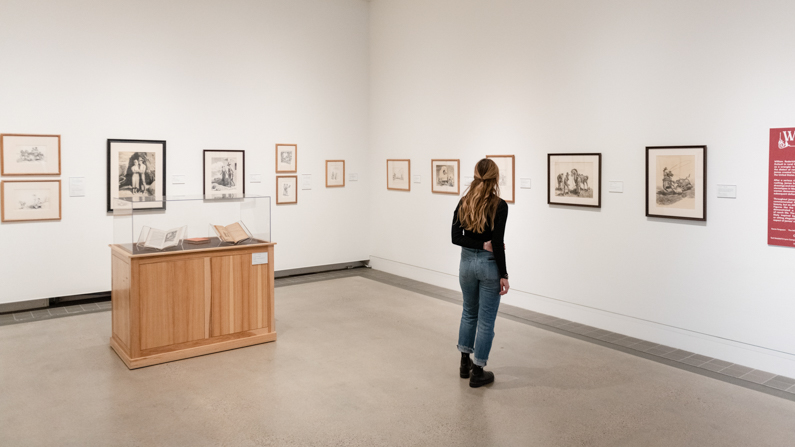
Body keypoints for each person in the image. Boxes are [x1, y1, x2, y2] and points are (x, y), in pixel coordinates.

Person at [451, 158, 510, 388]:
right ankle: (478, 371)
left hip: (466, 264)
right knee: (486, 321)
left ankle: (464, 364)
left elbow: (456, 237)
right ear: (495, 178)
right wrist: (503, 274)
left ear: (475, 176)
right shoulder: (499, 205)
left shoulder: (465, 201)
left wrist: (477, 244)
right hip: (487, 266)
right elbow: (497, 243)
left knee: (468, 313)